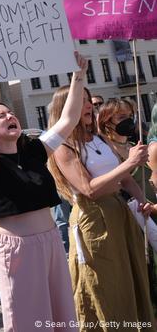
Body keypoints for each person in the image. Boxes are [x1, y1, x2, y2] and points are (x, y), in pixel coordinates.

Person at [0, 54, 88, 331]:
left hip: (51, 243)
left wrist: (78, 76)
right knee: (28, 323)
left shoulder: (34, 150)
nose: (10, 115)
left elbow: (67, 120)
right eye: (1, 116)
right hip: (18, 250)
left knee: (60, 318)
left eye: (11, 112)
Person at [47, 87, 156, 329]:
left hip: (120, 214)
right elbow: (88, 189)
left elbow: (126, 179)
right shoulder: (62, 147)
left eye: (89, 101)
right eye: (81, 101)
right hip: (93, 220)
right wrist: (128, 162)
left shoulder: (99, 138)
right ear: (65, 108)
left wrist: (141, 202)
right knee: (104, 285)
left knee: (129, 280)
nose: (88, 106)